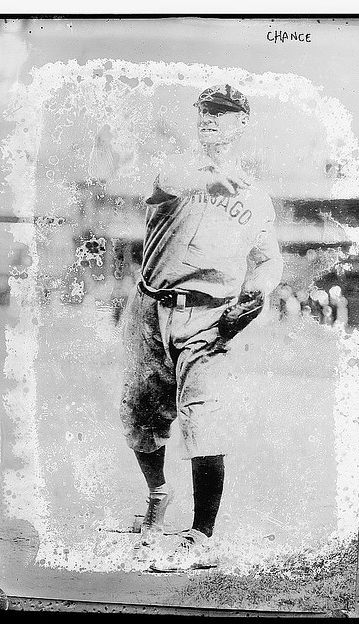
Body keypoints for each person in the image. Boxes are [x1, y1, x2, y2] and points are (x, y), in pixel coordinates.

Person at [119, 84, 283, 571]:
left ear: (242, 123)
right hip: (150, 307)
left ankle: (201, 535)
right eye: (205, 111)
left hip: (211, 317)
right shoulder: (175, 167)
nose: (210, 119)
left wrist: (257, 293)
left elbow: (268, 257)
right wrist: (212, 181)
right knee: (138, 414)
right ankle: (158, 495)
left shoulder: (255, 196)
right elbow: (173, 183)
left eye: (223, 112)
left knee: (202, 419)